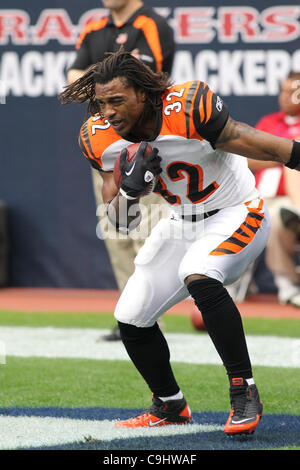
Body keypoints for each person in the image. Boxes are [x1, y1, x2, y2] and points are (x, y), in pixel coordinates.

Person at [60, 49, 300, 436]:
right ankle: (170, 404)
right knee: (131, 315)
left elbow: (248, 139)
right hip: (180, 221)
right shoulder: (99, 137)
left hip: (237, 210)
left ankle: (244, 390)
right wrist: (131, 192)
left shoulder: (187, 107)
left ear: (143, 93)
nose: (108, 111)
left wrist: (296, 155)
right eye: (102, 103)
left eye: (117, 100)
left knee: (198, 272)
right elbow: (119, 223)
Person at [68, 0, 174, 340]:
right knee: (115, 230)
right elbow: (72, 77)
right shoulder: (93, 28)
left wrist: (99, 77)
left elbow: (143, 78)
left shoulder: (151, 24)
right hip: (105, 143)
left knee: (149, 231)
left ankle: (153, 313)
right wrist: (105, 77)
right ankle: (131, 313)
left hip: (143, 141)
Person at [248, 72, 300, 307]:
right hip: (260, 197)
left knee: (279, 219)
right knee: (233, 217)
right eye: (283, 91)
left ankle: (285, 283)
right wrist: (284, 155)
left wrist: (273, 152)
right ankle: (224, 282)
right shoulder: (269, 122)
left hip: (290, 198)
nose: (285, 97)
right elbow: (247, 158)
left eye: (292, 92)